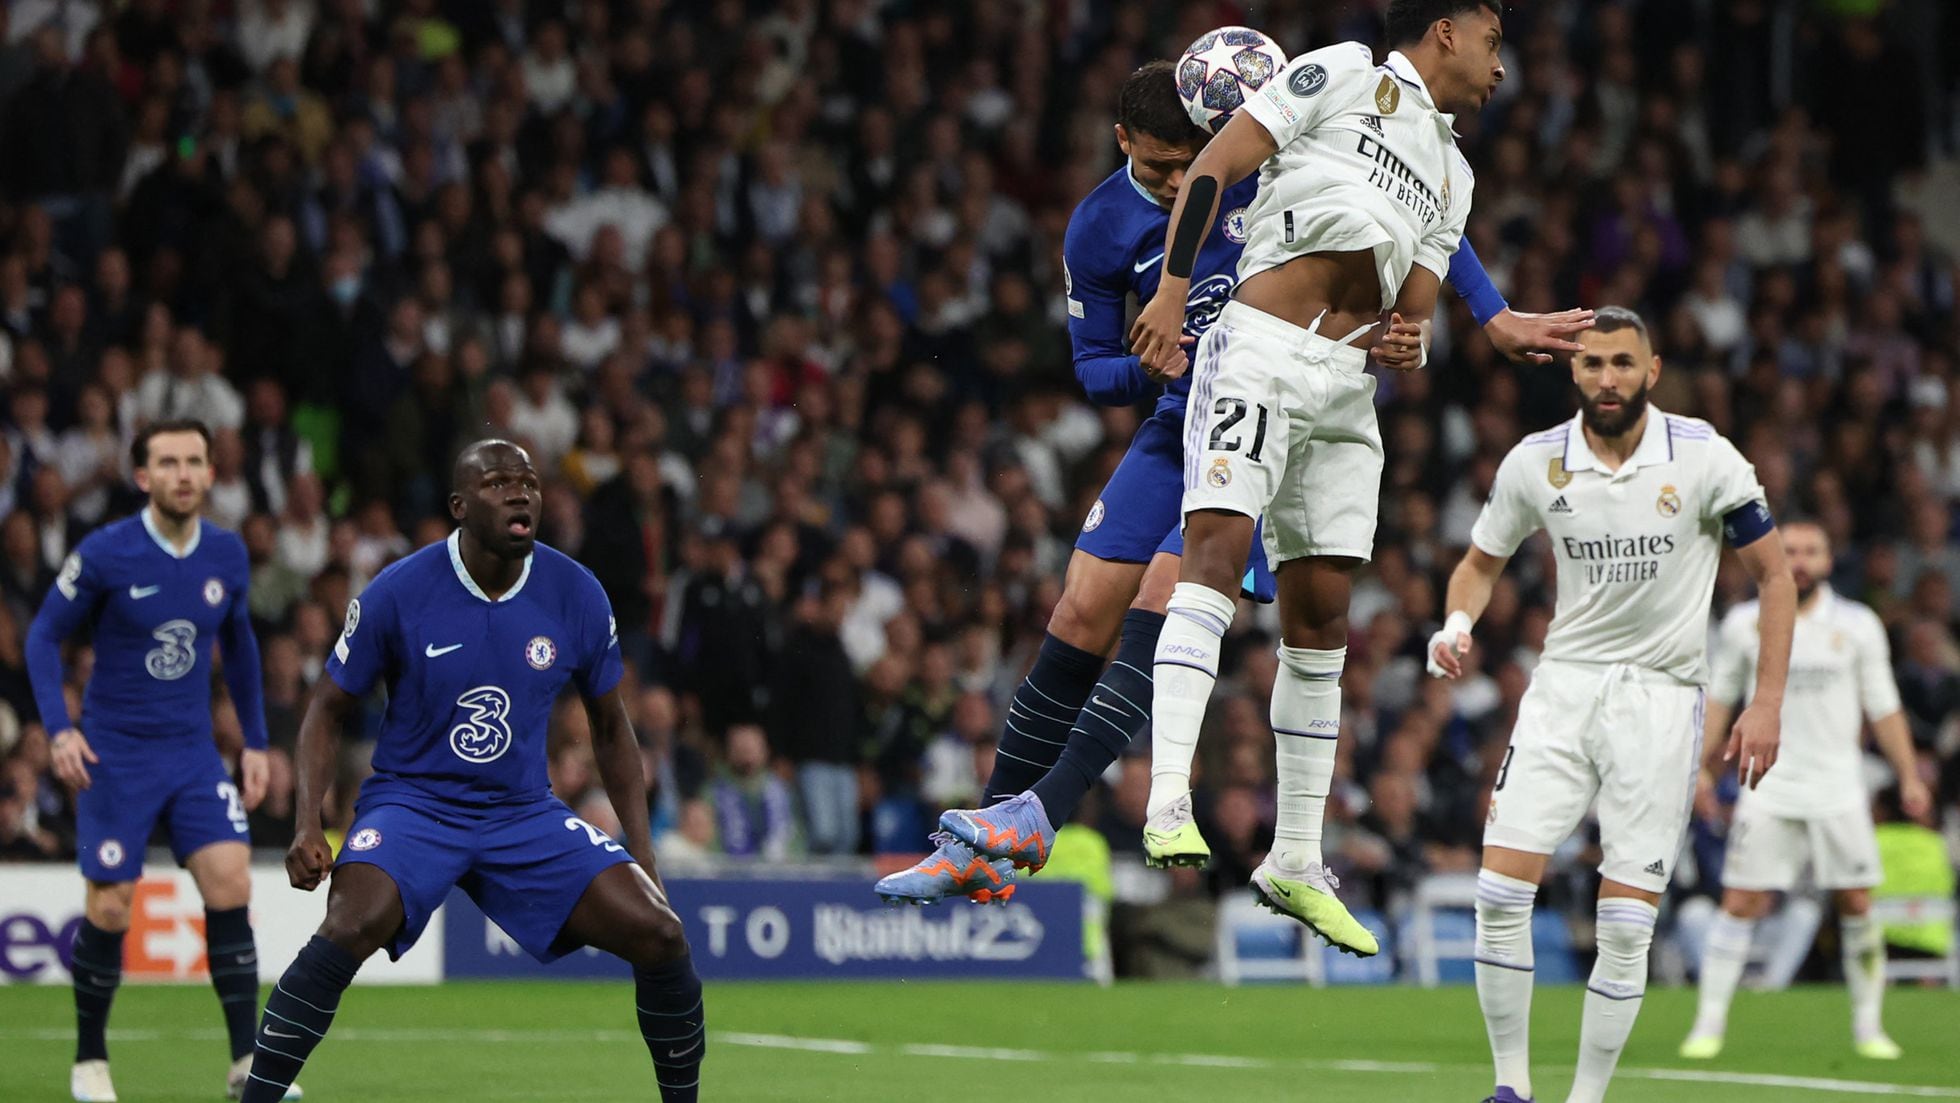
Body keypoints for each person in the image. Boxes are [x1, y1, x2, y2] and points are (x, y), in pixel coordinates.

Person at [880, 24, 1590, 907]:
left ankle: (1045, 815)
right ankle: (986, 838)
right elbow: (1095, 369)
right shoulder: (1100, 224)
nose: (1185, 183)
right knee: (1080, 605)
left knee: (1161, 596)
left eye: (1193, 162)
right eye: (1163, 169)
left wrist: (1490, 312)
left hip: (1270, 405)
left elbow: (1420, 204)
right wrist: (1150, 359)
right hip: (1179, 413)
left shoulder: (1275, 147)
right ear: (1125, 146)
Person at [240, 440, 705, 1103]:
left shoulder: (576, 592)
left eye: (529, 483)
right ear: (460, 506)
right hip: (413, 802)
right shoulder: (399, 591)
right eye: (498, 484)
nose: (521, 494)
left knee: (661, 932)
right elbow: (326, 708)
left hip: (522, 810)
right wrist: (308, 820)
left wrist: (644, 849)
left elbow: (611, 727)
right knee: (348, 924)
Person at [1427, 307, 1794, 1103]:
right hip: (1563, 688)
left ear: (1652, 370)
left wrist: (1765, 702)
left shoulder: (1702, 457)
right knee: (1497, 891)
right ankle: (1510, 1088)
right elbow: (1480, 563)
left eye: (1623, 363)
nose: (1607, 379)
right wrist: (1457, 620)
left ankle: (1585, 1097)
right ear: (1573, 372)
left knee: (1627, 926)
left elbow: (1775, 576)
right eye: (1592, 364)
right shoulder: (1537, 461)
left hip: (1661, 701)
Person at [25, 419, 289, 1102]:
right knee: (111, 906)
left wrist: (254, 741)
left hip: (193, 753)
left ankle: (247, 1065)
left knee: (231, 880)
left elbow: (243, 648)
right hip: (116, 755)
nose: (182, 473)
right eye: (167, 462)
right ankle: (89, 1060)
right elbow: (42, 635)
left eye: (194, 461)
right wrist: (60, 729)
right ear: (142, 476)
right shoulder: (108, 551)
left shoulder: (227, 555)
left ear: (209, 473)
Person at [1680, 521, 1930, 1062]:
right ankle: (1709, 1023)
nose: (1799, 560)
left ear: (1828, 559)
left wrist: (1908, 774)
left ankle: (1868, 1028)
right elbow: (1721, 700)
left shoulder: (1858, 625)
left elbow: (1883, 706)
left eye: (1810, 551)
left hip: (1839, 785)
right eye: (1789, 550)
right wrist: (1701, 768)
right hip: (1766, 785)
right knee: (1741, 900)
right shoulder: (1746, 624)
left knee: (1857, 902)